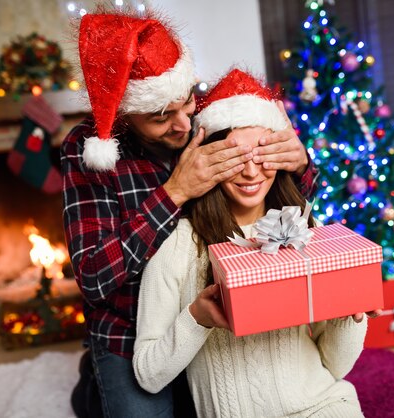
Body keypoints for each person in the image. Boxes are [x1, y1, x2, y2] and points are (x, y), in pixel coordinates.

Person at [62, 10, 320, 418]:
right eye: (161, 116)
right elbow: (93, 277)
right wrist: (175, 192)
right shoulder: (88, 150)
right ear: (125, 117)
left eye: (185, 103)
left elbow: (278, 205)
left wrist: (300, 165)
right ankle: (94, 384)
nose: (184, 124)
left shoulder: (205, 113)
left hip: (209, 317)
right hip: (128, 334)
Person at [133, 69, 367, 417]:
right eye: (236, 157)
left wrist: (351, 315)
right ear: (211, 159)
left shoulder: (302, 229)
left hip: (322, 404)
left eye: (262, 154)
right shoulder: (179, 247)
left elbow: (335, 367)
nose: (251, 171)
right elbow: (148, 375)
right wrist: (197, 318)